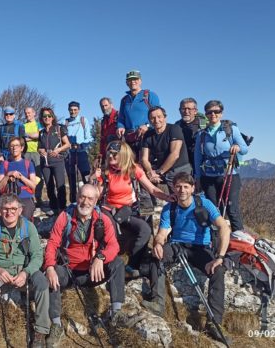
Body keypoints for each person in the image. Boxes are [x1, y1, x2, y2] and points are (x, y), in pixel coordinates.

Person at [141, 172, 231, 344]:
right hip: (177, 245)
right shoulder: (170, 208)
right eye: (178, 186)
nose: (182, 190)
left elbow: (223, 228)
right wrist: (158, 244)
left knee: (218, 271)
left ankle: (214, 323)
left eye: (185, 186)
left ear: (192, 188)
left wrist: (219, 257)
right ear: (173, 188)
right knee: (156, 257)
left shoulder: (204, 204)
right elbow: (162, 233)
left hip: (200, 248)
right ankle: (158, 303)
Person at [43, 184, 125, 347]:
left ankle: (116, 313)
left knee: (118, 263)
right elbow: (52, 244)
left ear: (96, 201)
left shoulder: (103, 219)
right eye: (82, 197)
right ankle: (56, 324)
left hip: (94, 273)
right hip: (69, 272)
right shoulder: (65, 217)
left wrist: (100, 257)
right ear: (77, 196)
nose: (85, 202)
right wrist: (50, 267)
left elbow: (114, 246)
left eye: (90, 198)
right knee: (53, 275)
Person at [0, 194, 50, 347]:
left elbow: (37, 255)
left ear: (20, 210)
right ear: (0, 210)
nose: (9, 213)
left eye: (13, 209)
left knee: (42, 282)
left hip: (23, 273)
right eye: (5, 209)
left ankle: (41, 330)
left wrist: (26, 272)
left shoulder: (28, 227)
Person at [92, 141, 174, 277]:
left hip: (128, 210)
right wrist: (93, 179)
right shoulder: (106, 172)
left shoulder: (133, 169)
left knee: (145, 230)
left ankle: (132, 265)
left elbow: (151, 188)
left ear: (123, 155)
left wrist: (167, 197)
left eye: (114, 154)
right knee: (109, 232)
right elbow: (96, 195)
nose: (111, 157)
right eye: (109, 154)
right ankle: (107, 263)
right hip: (108, 210)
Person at [194, 100, 249, 232]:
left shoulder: (231, 130)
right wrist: (198, 177)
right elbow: (197, 157)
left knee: (231, 208)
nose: (213, 114)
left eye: (216, 111)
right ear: (206, 114)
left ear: (221, 114)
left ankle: (239, 238)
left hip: (230, 174)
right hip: (208, 177)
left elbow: (244, 148)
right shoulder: (201, 134)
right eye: (209, 112)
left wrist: (237, 147)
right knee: (213, 209)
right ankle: (214, 238)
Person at [141, 106, 193, 194]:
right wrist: (150, 172)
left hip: (179, 170)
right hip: (162, 171)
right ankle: (150, 206)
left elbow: (174, 154)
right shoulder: (148, 135)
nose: (156, 120)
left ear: (165, 117)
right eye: (152, 118)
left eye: (159, 117)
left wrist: (159, 172)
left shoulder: (174, 129)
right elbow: (144, 159)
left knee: (183, 198)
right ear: (149, 120)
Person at [116, 70, 161, 157]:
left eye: (135, 79)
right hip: (129, 139)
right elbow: (121, 118)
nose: (133, 82)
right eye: (130, 80)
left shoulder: (150, 95)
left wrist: (147, 126)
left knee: (144, 165)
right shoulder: (124, 100)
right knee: (129, 167)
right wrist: (120, 127)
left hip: (147, 137)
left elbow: (159, 116)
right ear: (126, 83)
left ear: (140, 81)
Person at [38, 107, 71, 215]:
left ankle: (62, 208)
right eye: (44, 116)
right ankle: (54, 207)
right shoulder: (41, 132)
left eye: (49, 116)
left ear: (52, 117)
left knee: (60, 185)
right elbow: (39, 147)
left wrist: (58, 150)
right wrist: (40, 150)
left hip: (57, 161)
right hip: (45, 162)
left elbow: (67, 144)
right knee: (49, 186)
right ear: (42, 118)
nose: (47, 118)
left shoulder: (58, 129)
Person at [0, 137, 37, 221]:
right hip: (9, 198)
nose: (14, 148)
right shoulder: (4, 164)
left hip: (25, 198)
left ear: (22, 148)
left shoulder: (28, 164)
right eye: (11, 146)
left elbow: (33, 186)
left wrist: (21, 177)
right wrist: (8, 175)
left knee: (24, 221)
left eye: (16, 145)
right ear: (9, 148)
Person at [65, 101, 93, 203]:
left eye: (75, 110)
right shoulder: (66, 122)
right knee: (72, 179)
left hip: (81, 152)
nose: (73, 112)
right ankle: (73, 202)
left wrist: (81, 145)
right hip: (70, 153)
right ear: (68, 110)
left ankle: (90, 199)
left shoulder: (83, 120)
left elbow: (89, 137)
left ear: (79, 110)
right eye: (71, 110)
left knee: (86, 177)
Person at [175, 98, 207, 173]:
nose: (186, 112)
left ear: (195, 111)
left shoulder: (204, 124)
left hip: (201, 163)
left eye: (189, 109)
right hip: (183, 164)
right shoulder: (176, 125)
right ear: (179, 110)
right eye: (183, 109)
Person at [23, 107, 44, 205]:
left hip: (37, 152)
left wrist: (29, 135)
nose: (27, 114)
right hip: (26, 153)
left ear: (34, 113)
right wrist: (33, 136)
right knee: (27, 175)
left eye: (29, 113)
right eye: (26, 113)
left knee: (38, 176)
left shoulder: (38, 124)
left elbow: (39, 135)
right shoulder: (23, 125)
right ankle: (29, 197)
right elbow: (22, 139)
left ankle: (38, 197)